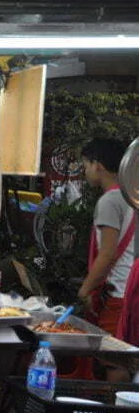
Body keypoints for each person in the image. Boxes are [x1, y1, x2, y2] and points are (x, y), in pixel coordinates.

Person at [77, 138, 135, 342]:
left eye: (86, 166)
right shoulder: (131, 196)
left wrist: (85, 289)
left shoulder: (110, 201)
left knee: (114, 359)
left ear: (98, 165)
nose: (85, 172)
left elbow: (108, 253)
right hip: (131, 288)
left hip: (118, 292)